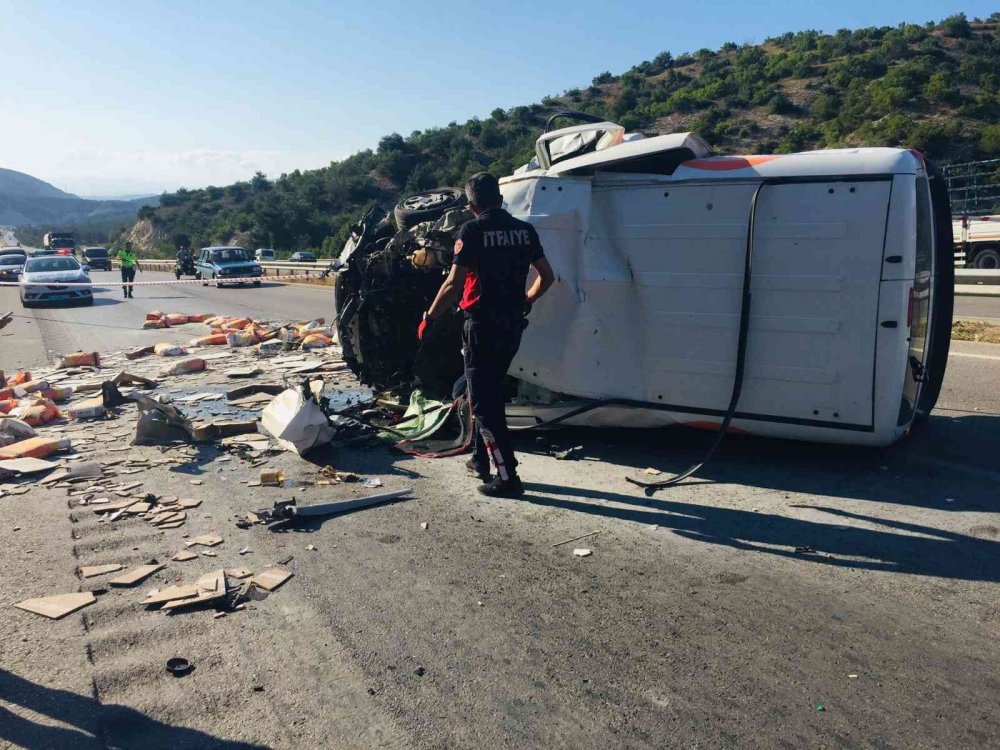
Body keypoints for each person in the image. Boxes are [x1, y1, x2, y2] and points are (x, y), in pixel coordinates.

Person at [420, 173, 555, 498]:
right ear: (500, 198)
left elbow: (453, 284)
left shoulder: (473, 231)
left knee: (484, 404)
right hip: (511, 327)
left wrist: (429, 316)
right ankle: (480, 459)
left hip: (482, 327)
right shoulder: (525, 231)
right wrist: (527, 300)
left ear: (472, 205)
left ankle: (508, 477)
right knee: (483, 389)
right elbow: (547, 277)